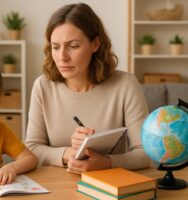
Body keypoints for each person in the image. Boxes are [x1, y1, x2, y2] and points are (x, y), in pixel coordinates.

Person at [25, 3, 150, 174]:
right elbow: (31, 148)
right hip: (55, 188)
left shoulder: (125, 84)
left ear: (95, 44)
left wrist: (106, 162)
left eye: (73, 46)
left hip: (110, 189)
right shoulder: (43, 86)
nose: (62, 57)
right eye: (55, 47)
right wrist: (68, 154)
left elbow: (145, 154)